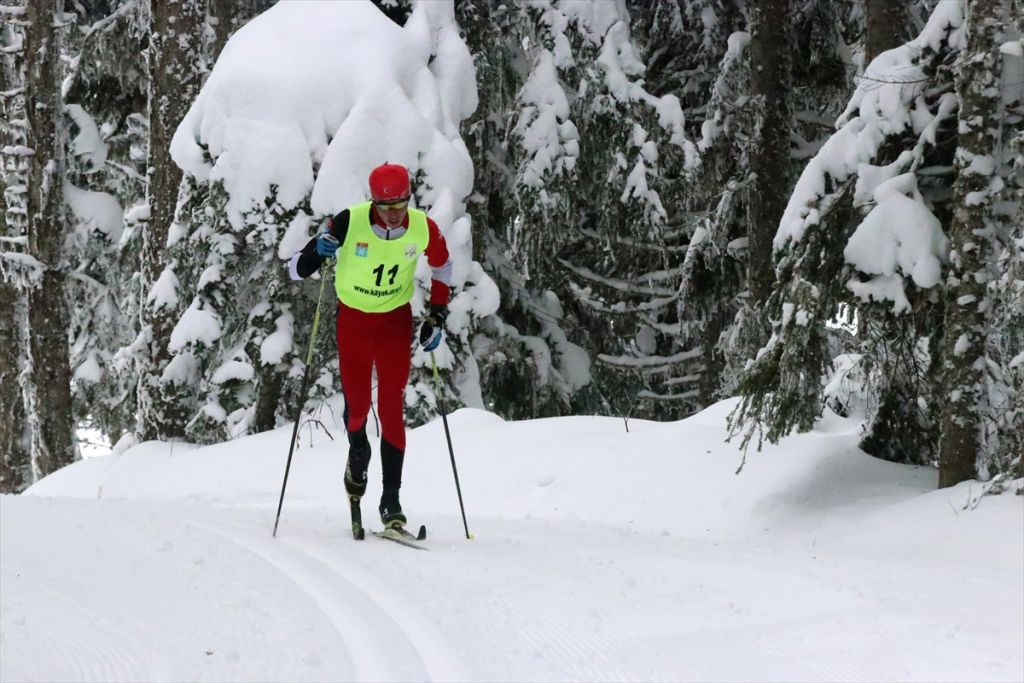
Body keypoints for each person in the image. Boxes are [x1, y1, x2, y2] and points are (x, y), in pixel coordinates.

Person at [288, 163, 451, 529]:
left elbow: (442, 267)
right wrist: (319, 250)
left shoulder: (423, 227)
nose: (393, 216)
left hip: (394, 321)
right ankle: (357, 451)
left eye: (400, 206)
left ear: (409, 200)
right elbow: (295, 270)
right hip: (355, 323)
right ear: (373, 202)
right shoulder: (349, 221)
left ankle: (391, 500)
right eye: (385, 207)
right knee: (359, 407)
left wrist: (438, 315)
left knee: (392, 406)